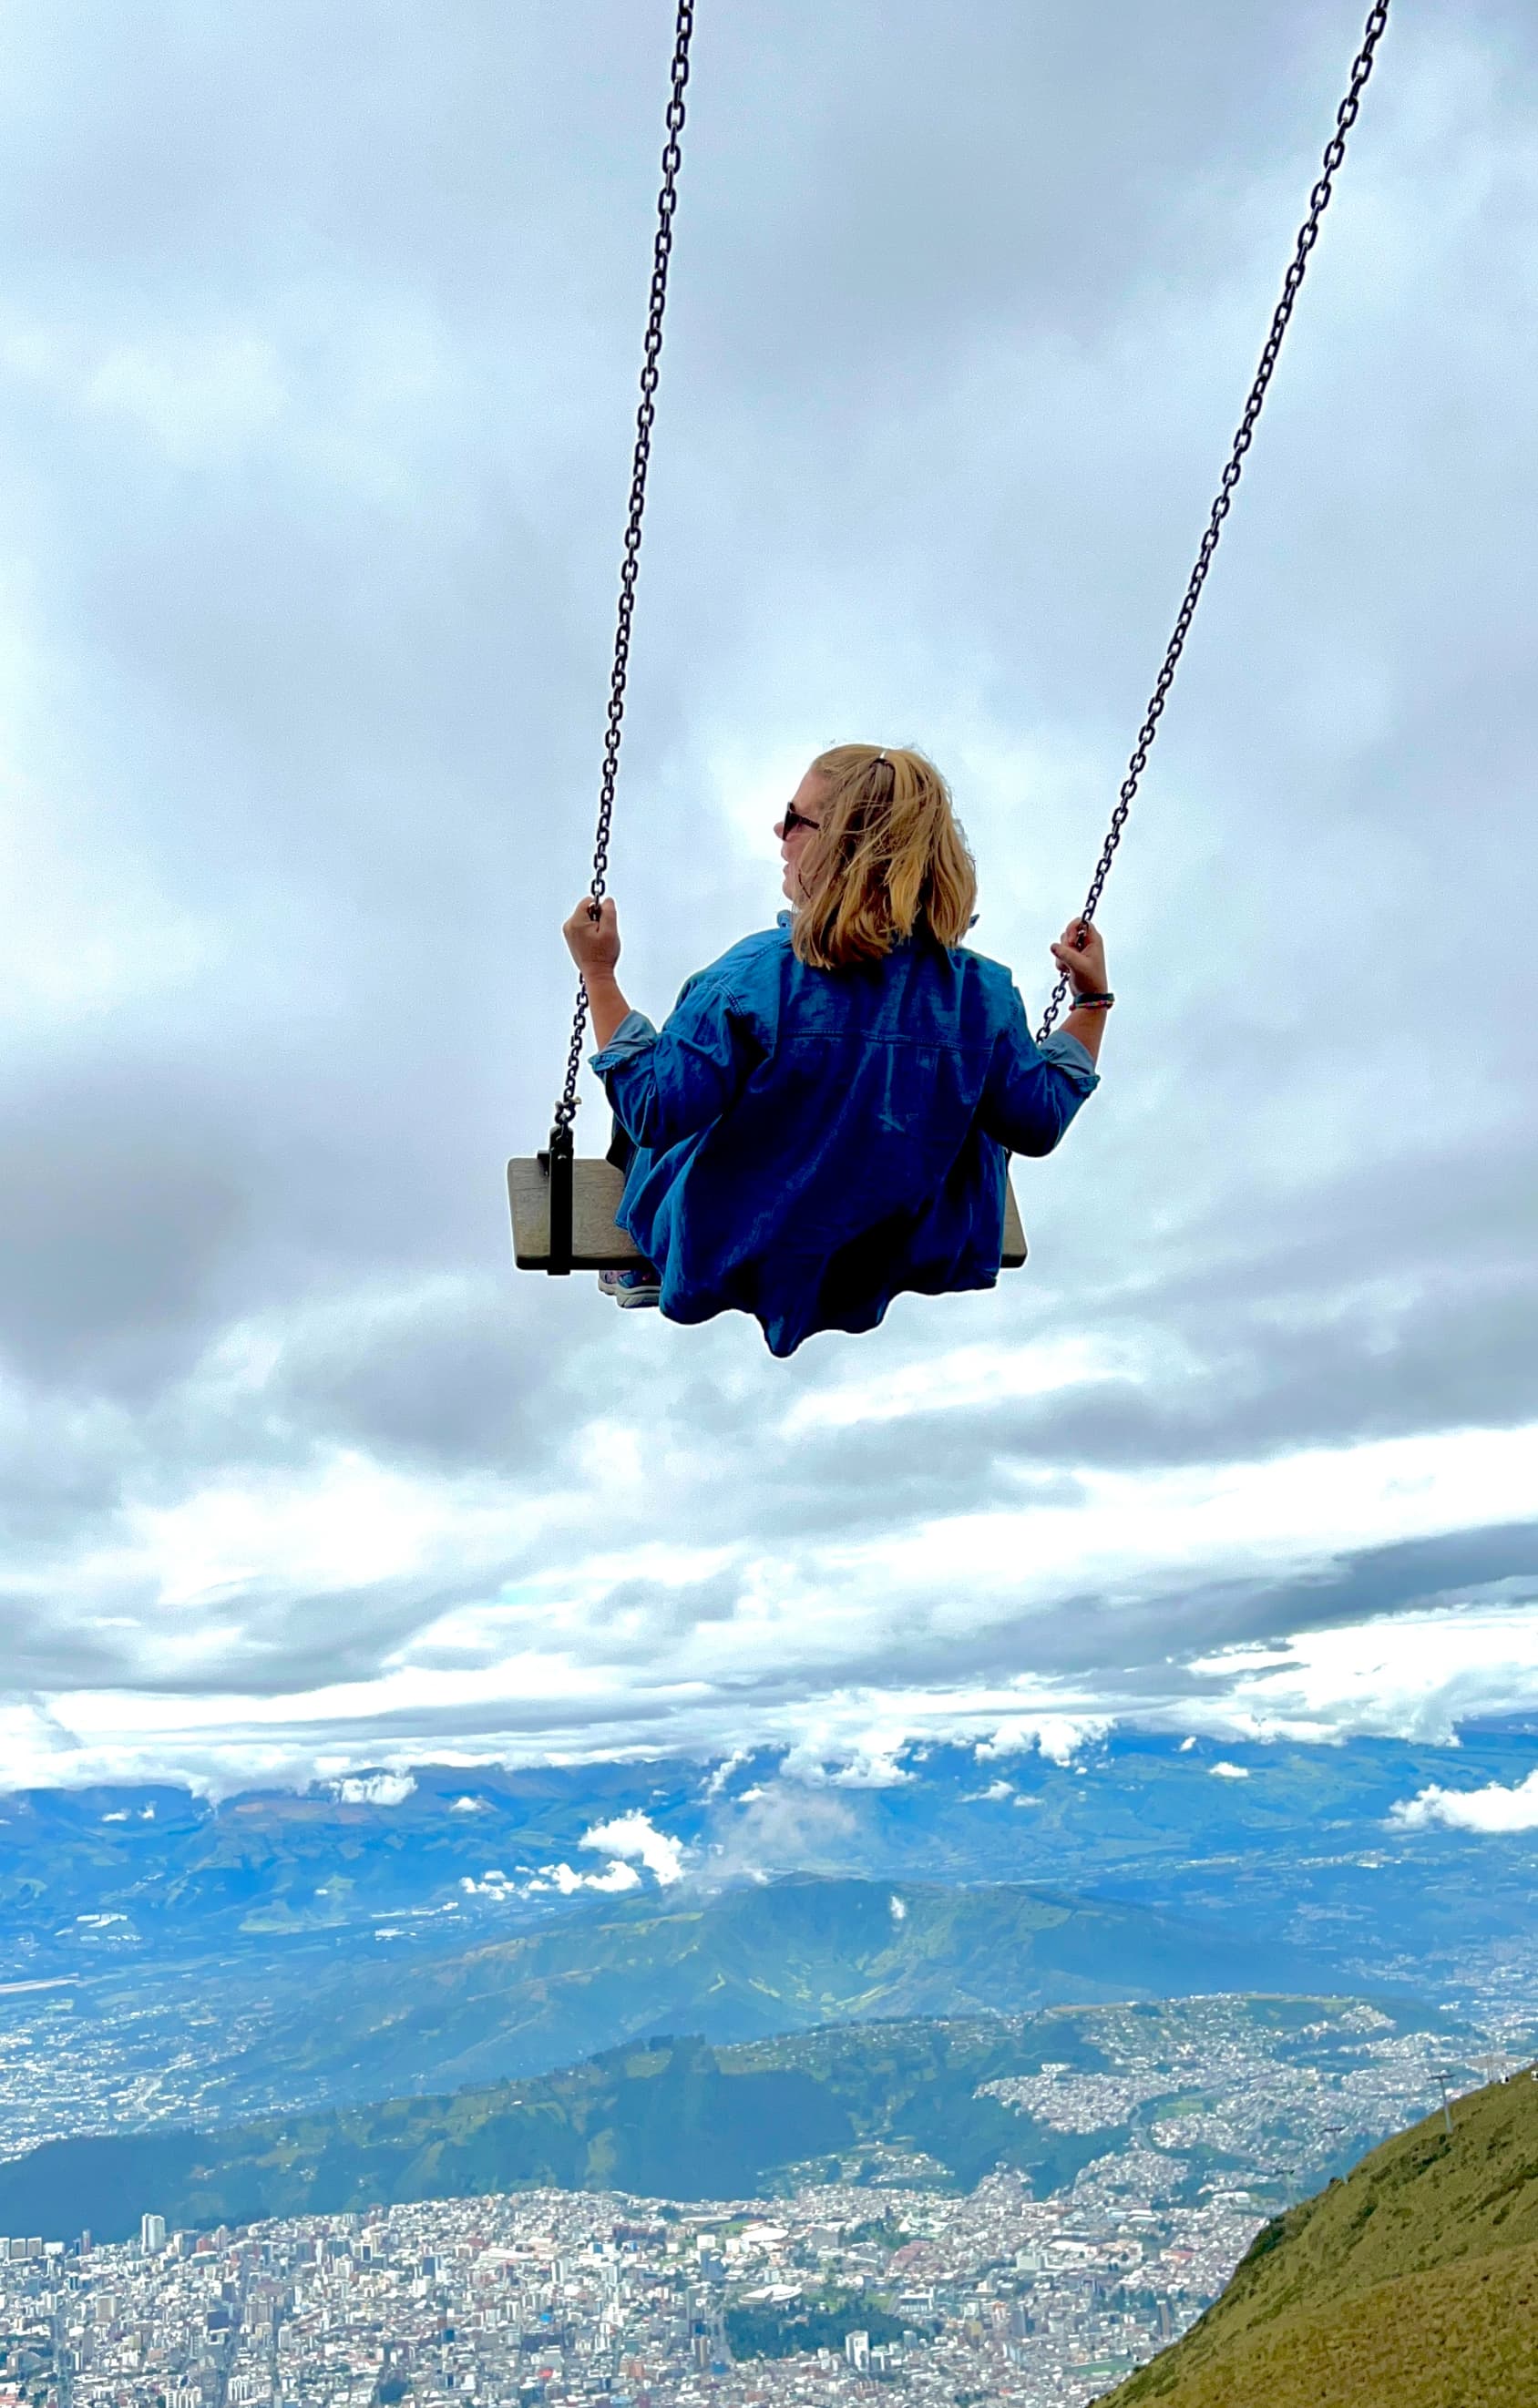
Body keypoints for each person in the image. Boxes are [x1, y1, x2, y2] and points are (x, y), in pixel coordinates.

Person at [561, 743, 1110, 1358]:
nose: (780, 832)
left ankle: (642, 1267)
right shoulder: (984, 997)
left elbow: (652, 1106)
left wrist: (600, 975)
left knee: (653, 1067)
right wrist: (1090, 1005)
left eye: (796, 820)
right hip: (882, 1256)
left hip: (735, 1246)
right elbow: (1037, 1120)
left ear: (845, 847)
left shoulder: (750, 982)